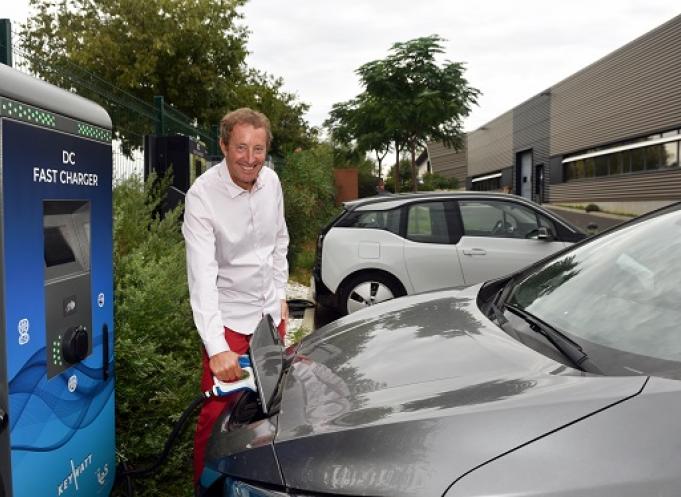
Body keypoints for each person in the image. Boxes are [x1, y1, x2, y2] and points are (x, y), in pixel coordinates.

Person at [181, 108, 289, 483]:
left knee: (265, 406)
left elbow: (279, 242)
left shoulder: (271, 182)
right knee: (217, 417)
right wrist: (216, 348)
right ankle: (204, 485)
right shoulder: (202, 197)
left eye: (258, 149)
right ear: (223, 145)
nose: (249, 158)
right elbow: (202, 277)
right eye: (241, 147)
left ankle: (252, 482)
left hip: (269, 318)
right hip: (227, 323)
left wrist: (280, 295)